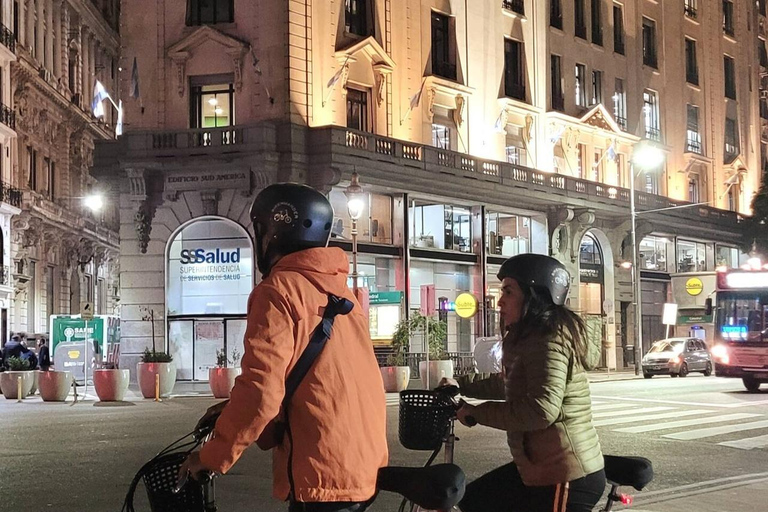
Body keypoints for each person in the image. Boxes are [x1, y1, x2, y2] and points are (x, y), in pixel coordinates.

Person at [179, 183, 388, 512]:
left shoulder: (277, 291)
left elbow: (261, 391)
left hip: (321, 469)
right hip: (361, 464)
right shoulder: (345, 295)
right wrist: (232, 409)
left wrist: (211, 455)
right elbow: (320, 381)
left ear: (271, 232)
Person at [453, 254, 605, 512]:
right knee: (474, 501)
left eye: (508, 292)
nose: (499, 301)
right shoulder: (529, 337)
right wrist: (461, 385)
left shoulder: (547, 340)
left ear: (534, 296)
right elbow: (512, 385)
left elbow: (541, 410)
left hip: (564, 474)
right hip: (540, 469)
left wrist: (476, 412)